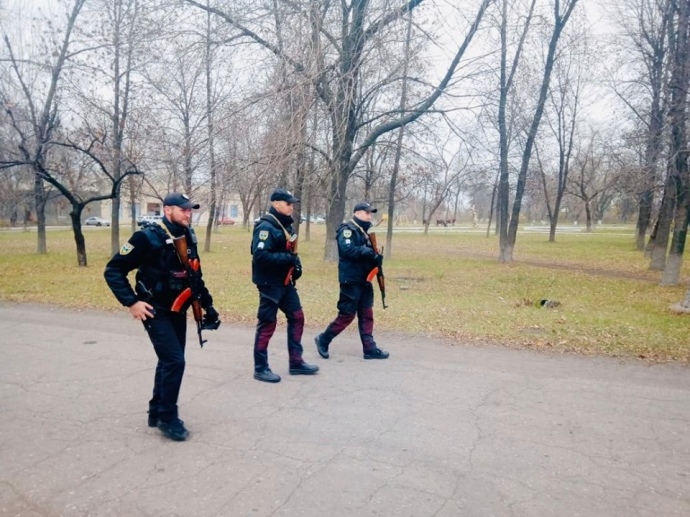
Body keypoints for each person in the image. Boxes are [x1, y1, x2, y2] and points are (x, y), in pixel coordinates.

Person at [104, 193, 220, 441]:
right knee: (175, 361)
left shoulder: (187, 235)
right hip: (155, 309)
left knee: (169, 361)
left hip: (178, 308)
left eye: (190, 210)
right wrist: (132, 302)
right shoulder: (147, 237)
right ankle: (168, 418)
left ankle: (157, 411)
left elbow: (194, 275)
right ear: (168, 210)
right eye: (184, 210)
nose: (188, 214)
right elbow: (113, 270)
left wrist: (208, 306)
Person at [251, 188, 319, 383]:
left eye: (292, 204)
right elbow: (260, 256)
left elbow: (291, 252)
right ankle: (260, 368)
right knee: (267, 324)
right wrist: (288, 259)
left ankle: (296, 362)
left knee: (297, 317)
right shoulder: (266, 227)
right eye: (288, 203)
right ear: (275, 203)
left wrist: (295, 265)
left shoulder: (285, 225)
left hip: (285, 282)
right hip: (269, 284)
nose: (291, 207)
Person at [314, 202, 389, 360]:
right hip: (351, 280)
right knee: (347, 315)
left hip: (365, 279)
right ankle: (323, 339)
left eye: (371, 213)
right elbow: (347, 250)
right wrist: (367, 252)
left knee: (367, 314)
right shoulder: (347, 229)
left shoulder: (365, 231)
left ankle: (369, 348)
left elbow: (367, 253)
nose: (370, 216)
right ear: (357, 213)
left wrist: (375, 258)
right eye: (367, 213)